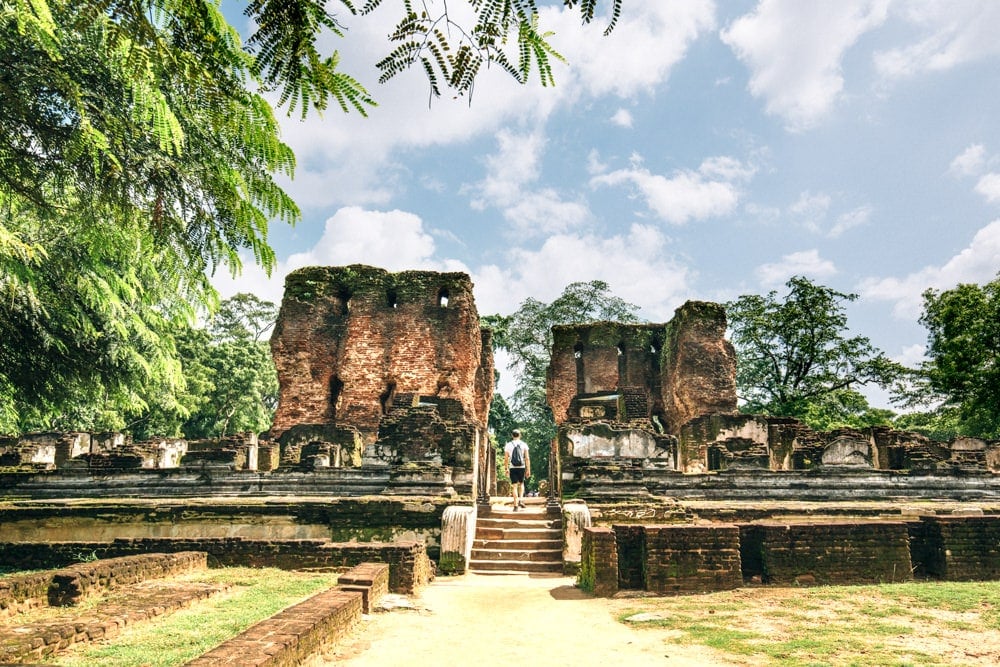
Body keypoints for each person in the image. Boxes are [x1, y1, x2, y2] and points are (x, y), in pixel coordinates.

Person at [504, 429, 531, 511]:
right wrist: (528, 469)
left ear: (512, 435)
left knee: (514, 486)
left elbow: (506, 459)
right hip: (522, 467)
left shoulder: (508, 445)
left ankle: (515, 505)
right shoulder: (524, 444)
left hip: (512, 467)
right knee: (521, 484)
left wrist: (506, 469)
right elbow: (527, 458)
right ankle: (521, 500)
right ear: (520, 435)